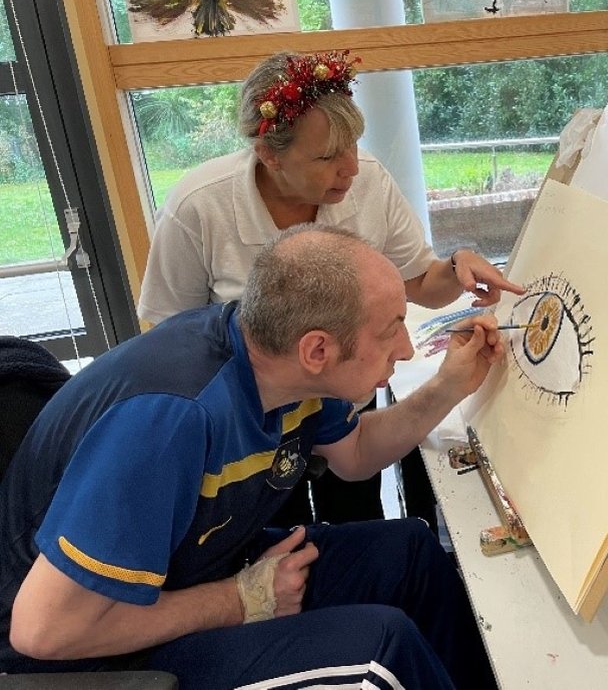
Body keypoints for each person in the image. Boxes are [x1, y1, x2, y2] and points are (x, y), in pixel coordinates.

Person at [1, 225, 502, 688]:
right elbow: (43, 631)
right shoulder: (168, 422)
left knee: (409, 553)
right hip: (90, 651)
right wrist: (238, 600)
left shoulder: (283, 360)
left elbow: (355, 454)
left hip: (185, 569)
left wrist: (450, 385)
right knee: (381, 648)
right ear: (317, 350)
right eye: (390, 328)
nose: (407, 349)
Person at [137, 49, 524, 528]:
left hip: (345, 410)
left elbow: (421, 283)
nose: (352, 169)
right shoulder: (200, 207)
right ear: (268, 154)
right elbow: (169, 335)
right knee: (275, 542)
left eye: (353, 146)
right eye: (326, 157)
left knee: (356, 523)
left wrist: (456, 264)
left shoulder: (368, 184)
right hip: (251, 436)